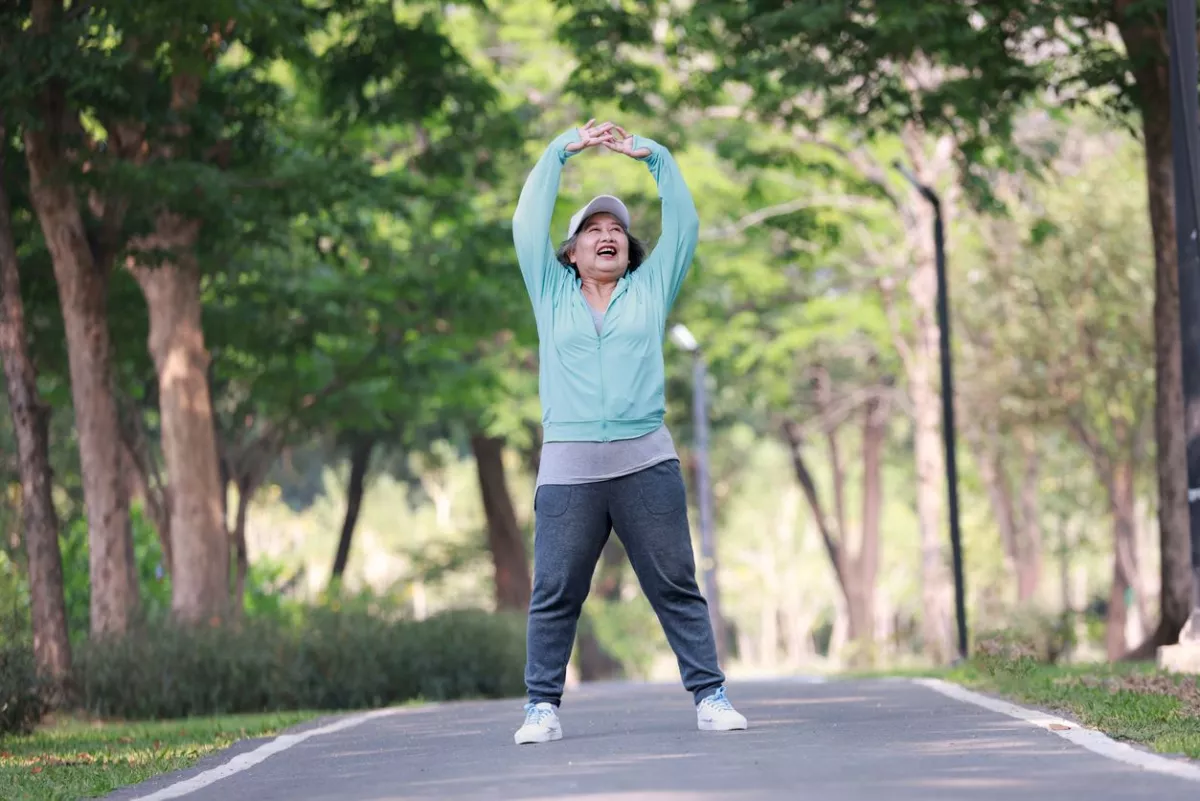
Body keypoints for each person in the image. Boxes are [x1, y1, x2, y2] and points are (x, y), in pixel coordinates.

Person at [509, 119, 748, 745]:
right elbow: (526, 223)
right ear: (571, 253)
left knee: (675, 582)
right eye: (593, 230)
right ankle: (541, 707)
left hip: (646, 462)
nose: (607, 236)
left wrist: (657, 158)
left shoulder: (648, 292)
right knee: (556, 590)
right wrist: (563, 149)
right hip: (569, 466)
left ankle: (711, 695)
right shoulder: (549, 292)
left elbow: (686, 226)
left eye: (616, 230)